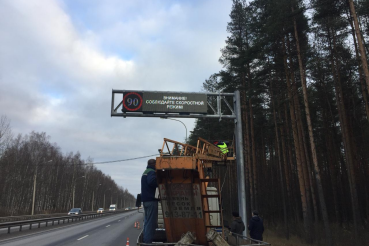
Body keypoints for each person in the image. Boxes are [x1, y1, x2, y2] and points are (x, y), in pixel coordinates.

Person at [141, 159, 158, 244]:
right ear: (154, 164)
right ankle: (148, 242)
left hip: (145, 201)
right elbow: (151, 181)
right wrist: (159, 182)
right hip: (151, 200)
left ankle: (145, 240)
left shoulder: (145, 172)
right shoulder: (151, 172)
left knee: (147, 222)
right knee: (151, 223)